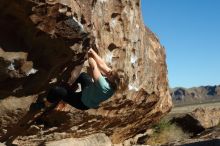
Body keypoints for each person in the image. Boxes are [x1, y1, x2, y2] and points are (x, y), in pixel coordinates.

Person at [45, 48, 127, 110]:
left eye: (111, 73)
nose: (110, 72)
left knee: (56, 90)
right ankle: (70, 88)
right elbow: (102, 64)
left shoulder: (104, 86)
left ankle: (46, 104)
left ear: (113, 80)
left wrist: (88, 53)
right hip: (88, 91)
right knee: (83, 76)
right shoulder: (113, 80)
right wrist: (91, 50)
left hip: (82, 102)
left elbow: (93, 66)